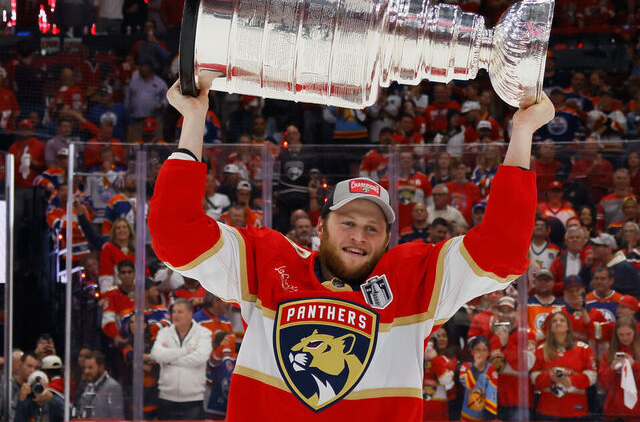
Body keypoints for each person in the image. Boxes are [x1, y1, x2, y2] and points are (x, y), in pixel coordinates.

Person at [148, 74, 554, 419]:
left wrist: (522, 131)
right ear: (321, 226)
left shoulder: (415, 280)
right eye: (348, 223)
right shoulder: (268, 263)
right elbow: (176, 238)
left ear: (388, 239)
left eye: (372, 228)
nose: (359, 236)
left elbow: (501, 252)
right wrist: (193, 119)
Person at [150, 299, 212, 420]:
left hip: (193, 400)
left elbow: (200, 357)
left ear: (190, 314)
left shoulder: (203, 333)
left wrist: (169, 359)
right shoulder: (164, 332)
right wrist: (184, 352)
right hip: (166, 398)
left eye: (180, 312)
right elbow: (156, 354)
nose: (175, 315)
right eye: (174, 312)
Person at [530, 311, 597, 420]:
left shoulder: (583, 349)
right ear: (550, 328)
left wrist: (573, 381)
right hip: (548, 410)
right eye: (554, 321)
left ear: (568, 327)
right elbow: (534, 378)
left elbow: (592, 376)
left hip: (575, 410)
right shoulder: (541, 350)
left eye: (562, 320)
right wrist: (549, 377)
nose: (558, 323)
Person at [488, 296, 535, 421]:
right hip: (497, 401)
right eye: (502, 311)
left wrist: (506, 345)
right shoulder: (494, 336)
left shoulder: (527, 334)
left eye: (509, 311)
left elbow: (527, 364)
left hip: (519, 401)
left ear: (516, 312)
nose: (505, 315)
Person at [597, 316, 640, 421]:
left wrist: (634, 365)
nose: (625, 338)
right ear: (616, 335)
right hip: (613, 412)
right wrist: (612, 369)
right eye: (621, 335)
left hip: (636, 413)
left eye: (628, 334)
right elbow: (603, 384)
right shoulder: (609, 354)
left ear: (635, 332)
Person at [590, 233, 640, 299]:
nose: (593, 248)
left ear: (609, 249)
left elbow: (637, 295)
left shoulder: (626, 268)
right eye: (593, 245)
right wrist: (586, 267)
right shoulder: (598, 267)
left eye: (597, 246)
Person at [459, 337, 498, 421]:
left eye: (484, 350)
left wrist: (491, 417)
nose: (481, 353)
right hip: (466, 416)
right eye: (478, 350)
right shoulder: (466, 366)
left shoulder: (491, 369)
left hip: (483, 417)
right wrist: (476, 366)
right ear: (472, 352)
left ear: (488, 353)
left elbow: (492, 392)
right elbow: (467, 384)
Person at [76, 351, 124, 419]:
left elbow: (117, 417)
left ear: (101, 367)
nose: (86, 371)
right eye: (84, 368)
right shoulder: (87, 385)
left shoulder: (112, 387)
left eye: (90, 368)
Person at [99, 218, 135, 293]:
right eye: (118, 228)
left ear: (129, 231)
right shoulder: (108, 248)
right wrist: (106, 294)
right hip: (117, 291)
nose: (122, 230)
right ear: (114, 232)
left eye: (124, 227)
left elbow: (145, 274)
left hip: (136, 291)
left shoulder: (136, 250)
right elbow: (106, 276)